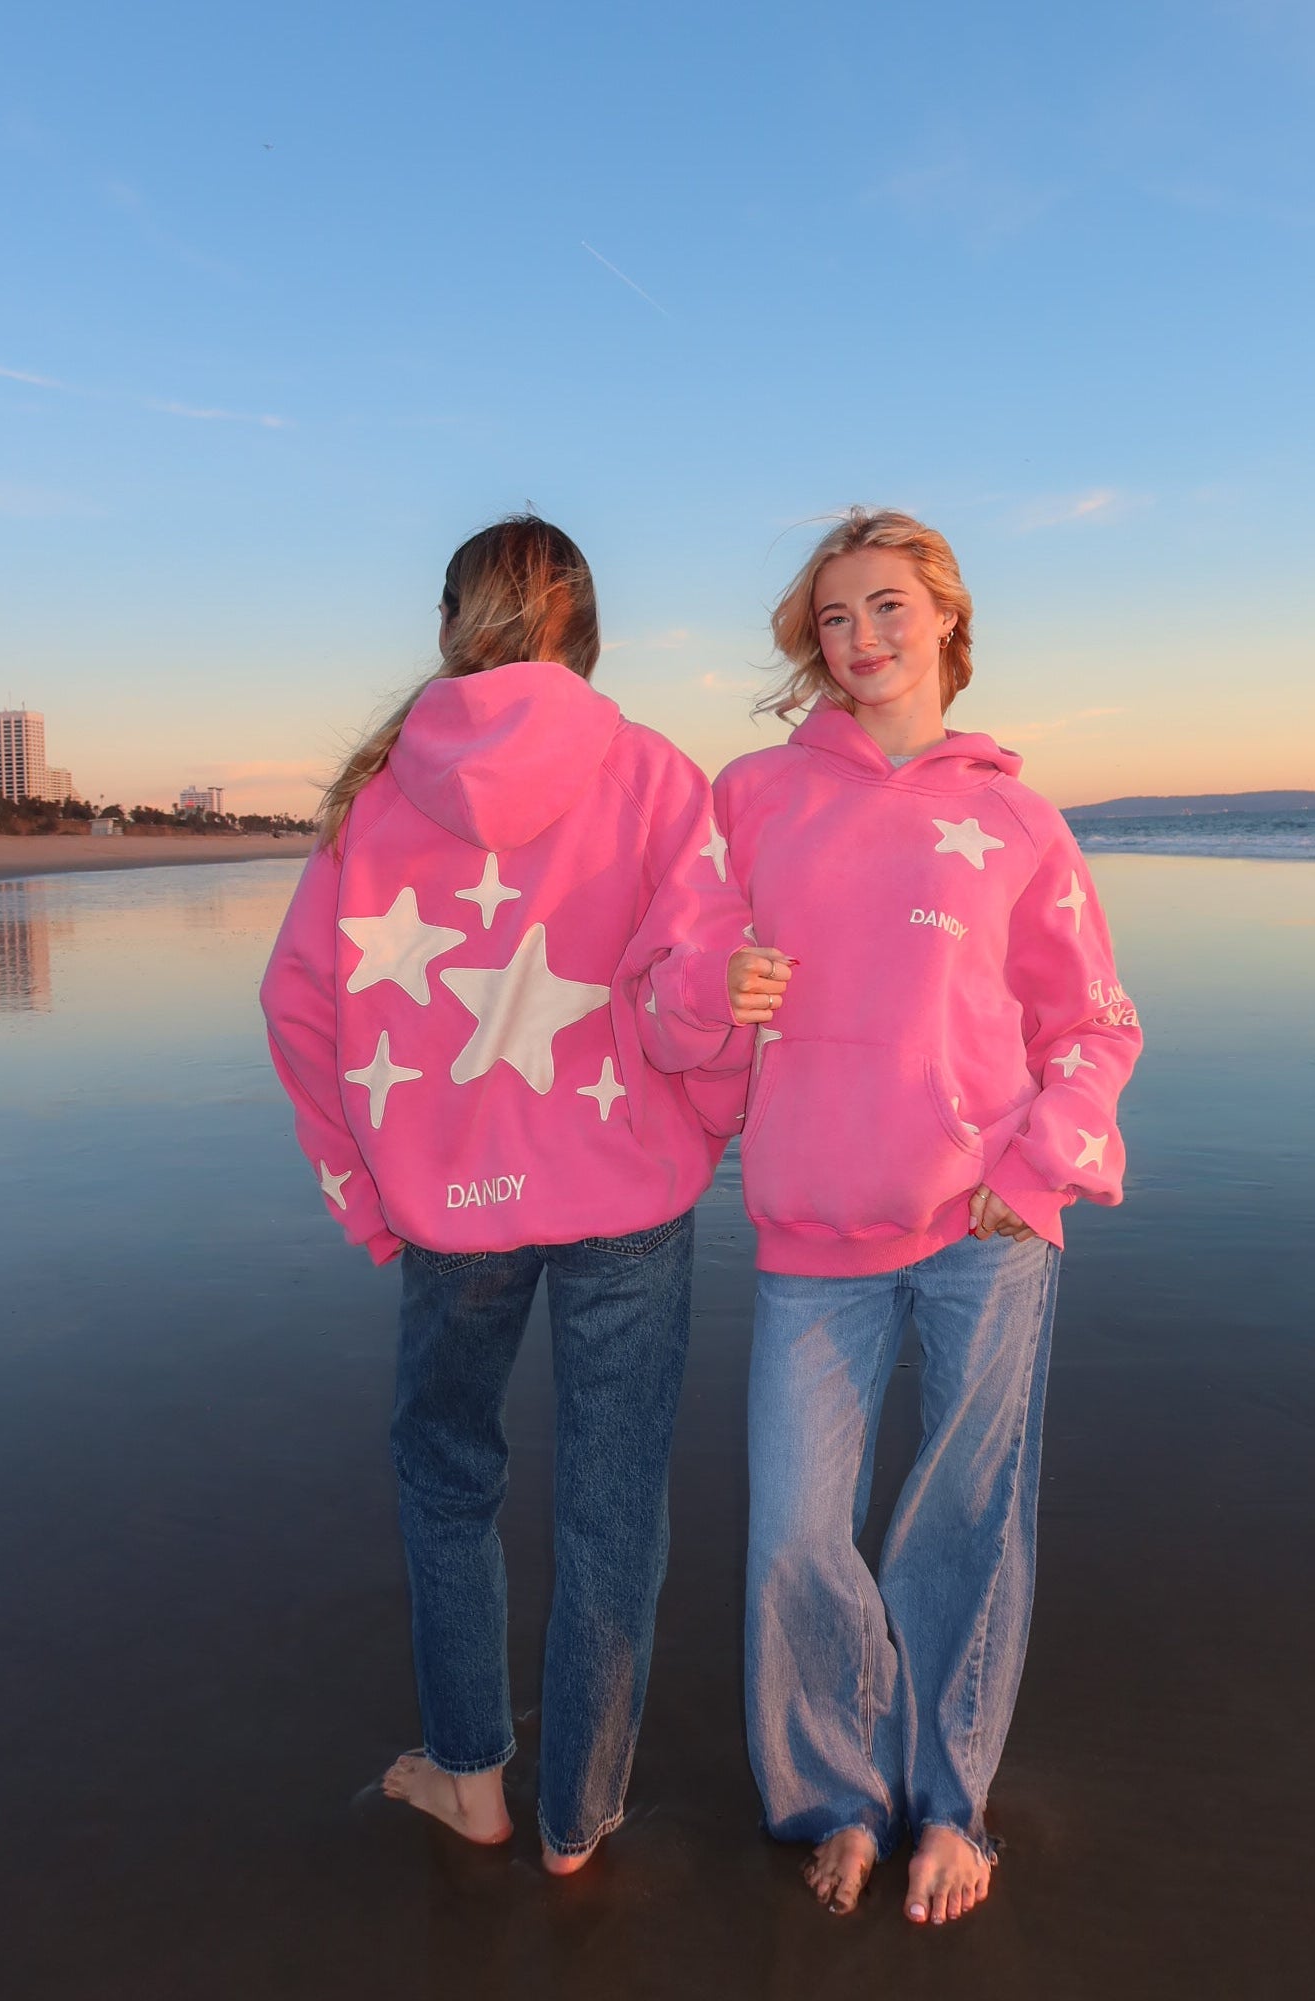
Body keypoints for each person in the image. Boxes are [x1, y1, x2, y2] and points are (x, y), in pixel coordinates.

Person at [260, 517, 760, 1873]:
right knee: (614, 1507)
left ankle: (470, 1777)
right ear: (585, 636)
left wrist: (369, 1192)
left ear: (449, 624)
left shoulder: (376, 795)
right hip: (630, 1202)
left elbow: (299, 1005)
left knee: (446, 1476)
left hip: (451, 1211)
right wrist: (708, 1121)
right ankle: (577, 1822)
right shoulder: (653, 772)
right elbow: (703, 979)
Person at [717, 508, 1142, 1923]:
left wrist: (1039, 1170)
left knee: (963, 1522)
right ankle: (838, 1795)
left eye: (888, 606)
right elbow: (675, 959)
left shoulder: (1018, 818)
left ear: (946, 618)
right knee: (796, 1532)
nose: (861, 638)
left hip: (983, 1227)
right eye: (835, 618)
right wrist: (705, 991)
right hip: (812, 1228)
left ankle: (952, 1803)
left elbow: (1095, 1023)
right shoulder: (753, 796)